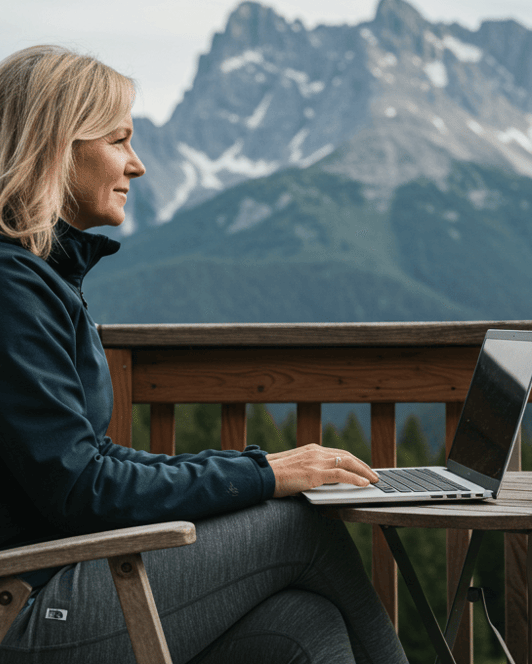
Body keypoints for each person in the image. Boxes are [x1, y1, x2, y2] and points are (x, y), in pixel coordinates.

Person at [0, 45, 408, 664]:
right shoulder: (11, 288)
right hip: (24, 605)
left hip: (57, 573)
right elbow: (83, 487)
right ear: (57, 146)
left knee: (304, 625)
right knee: (300, 524)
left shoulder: (38, 278)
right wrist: (264, 475)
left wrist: (256, 466)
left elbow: (88, 460)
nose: (136, 166)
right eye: (119, 140)